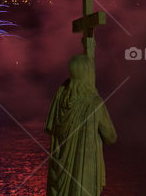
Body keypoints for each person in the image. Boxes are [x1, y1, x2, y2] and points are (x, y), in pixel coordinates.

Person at [46, 53, 117, 196]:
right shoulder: (94, 103)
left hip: (59, 175)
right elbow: (111, 137)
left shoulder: (60, 99)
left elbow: (51, 129)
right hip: (84, 177)